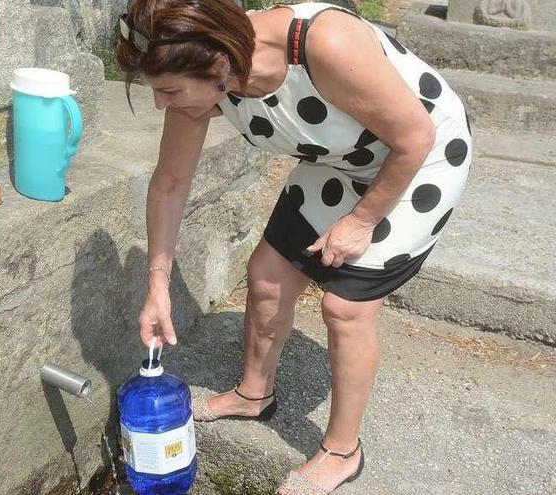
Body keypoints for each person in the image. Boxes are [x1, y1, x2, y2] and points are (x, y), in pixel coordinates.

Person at [115, 1, 472, 494]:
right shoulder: (206, 81)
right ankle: (253, 394)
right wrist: (157, 284)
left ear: (219, 62)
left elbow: (415, 136)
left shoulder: (323, 43)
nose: (161, 105)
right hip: (341, 160)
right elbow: (171, 182)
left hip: (422, 157)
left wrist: (362, 220)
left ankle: (343, 450)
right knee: (266, 277)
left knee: (345, 307)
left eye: (168, 91)